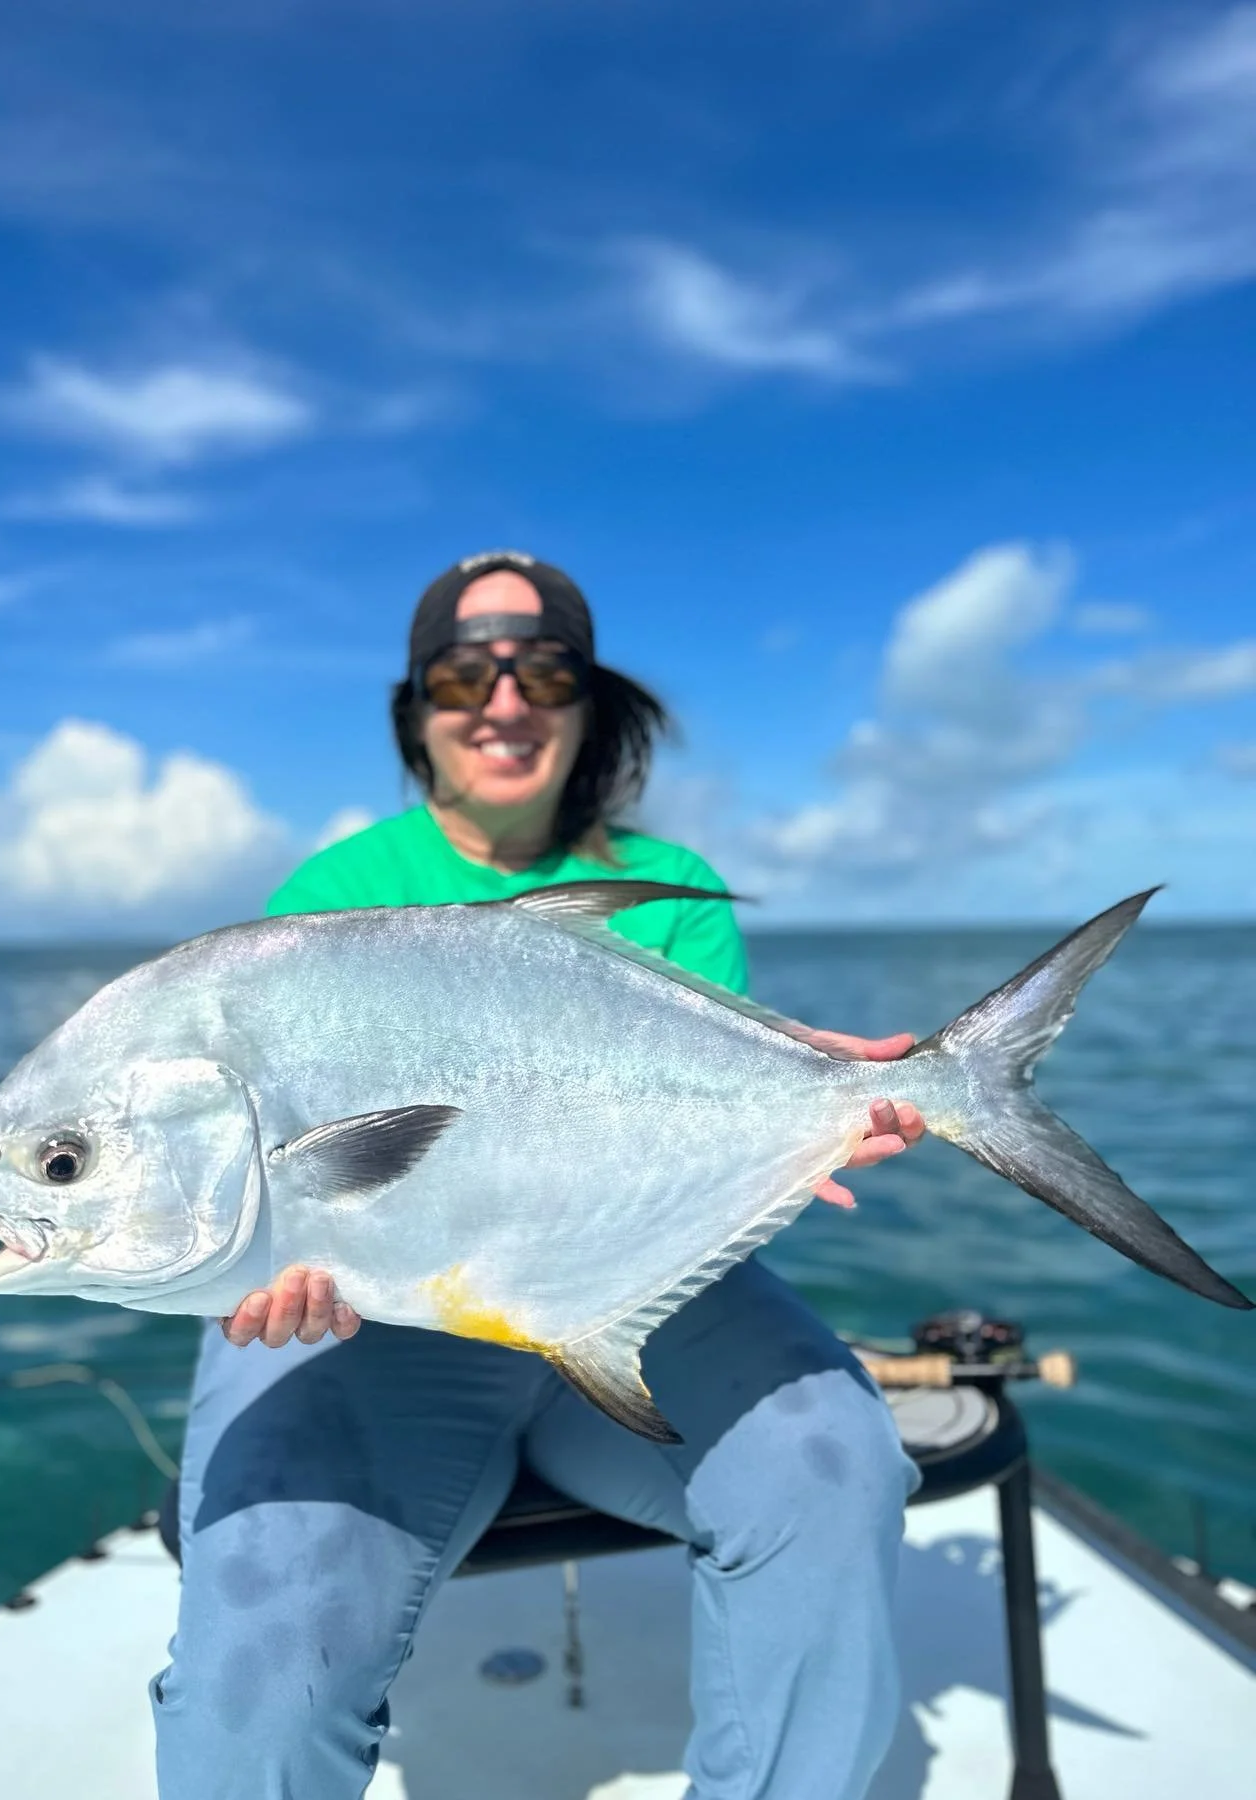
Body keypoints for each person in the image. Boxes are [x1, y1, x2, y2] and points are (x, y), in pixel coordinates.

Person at [152, 550, 926, 1800]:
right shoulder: (331, 900)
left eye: (544, 668)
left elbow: (687, 1144)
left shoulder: (672, 899)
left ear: (587, 702)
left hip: (635, 1302)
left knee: (833, 1465)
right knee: (261, 1641)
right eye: (464, 671)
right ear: (419, 711)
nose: (503, 701)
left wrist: (803, 1124)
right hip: (363, 1330)